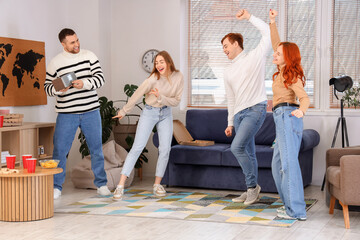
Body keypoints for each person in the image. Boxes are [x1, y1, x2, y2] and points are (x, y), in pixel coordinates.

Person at [44, 28, 111, 199]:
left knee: (96, 149)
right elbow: (47, 88)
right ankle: (56, 187)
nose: (77, 44)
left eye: (77, 40)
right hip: (67, 113)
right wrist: (61, 89)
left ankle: (101, 185)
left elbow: (100, 78)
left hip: (91, 111)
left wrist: (85, 83)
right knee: (60, 150)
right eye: (72, 42)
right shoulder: (55, 63)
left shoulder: (89, 56)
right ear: (63, 44)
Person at [112, 51, 184, 200]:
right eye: (156, 63)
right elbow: (137, 95)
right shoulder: (152, 79)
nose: (158, 65)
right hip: (150, 112)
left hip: (166, 113)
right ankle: (120, 186)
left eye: (161, 62)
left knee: (165, 149)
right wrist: (124, 111)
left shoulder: (178, 77)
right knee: (137, 147)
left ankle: (157, 185)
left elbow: (176, 101)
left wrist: (161, 97)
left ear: (169, 62)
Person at [221, 9, 271, 205]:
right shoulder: (228, 70)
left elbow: (267, 32)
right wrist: (230, 122)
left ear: (236, 44)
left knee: (237, 147)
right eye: (222, 47)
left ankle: (252, 187)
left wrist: (249, 17)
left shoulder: (255, 57)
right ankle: (251, 189)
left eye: (226, 45)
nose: (224, 50)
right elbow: (230, 98)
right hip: (240, 115)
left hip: (256, 109)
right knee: (249, 152)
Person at [269, 9, 310, 220]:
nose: (274, 55)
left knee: (288, 165)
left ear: (287, 57)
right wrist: (273, 22)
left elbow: (304, 98)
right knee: (277, 166)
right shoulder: (283, 71)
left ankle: (296, 211)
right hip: (280, 120)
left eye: (278, 53)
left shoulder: (290, 74)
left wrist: (301, 111)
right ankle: (288, 206)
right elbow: (278, 44)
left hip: (287, 116)